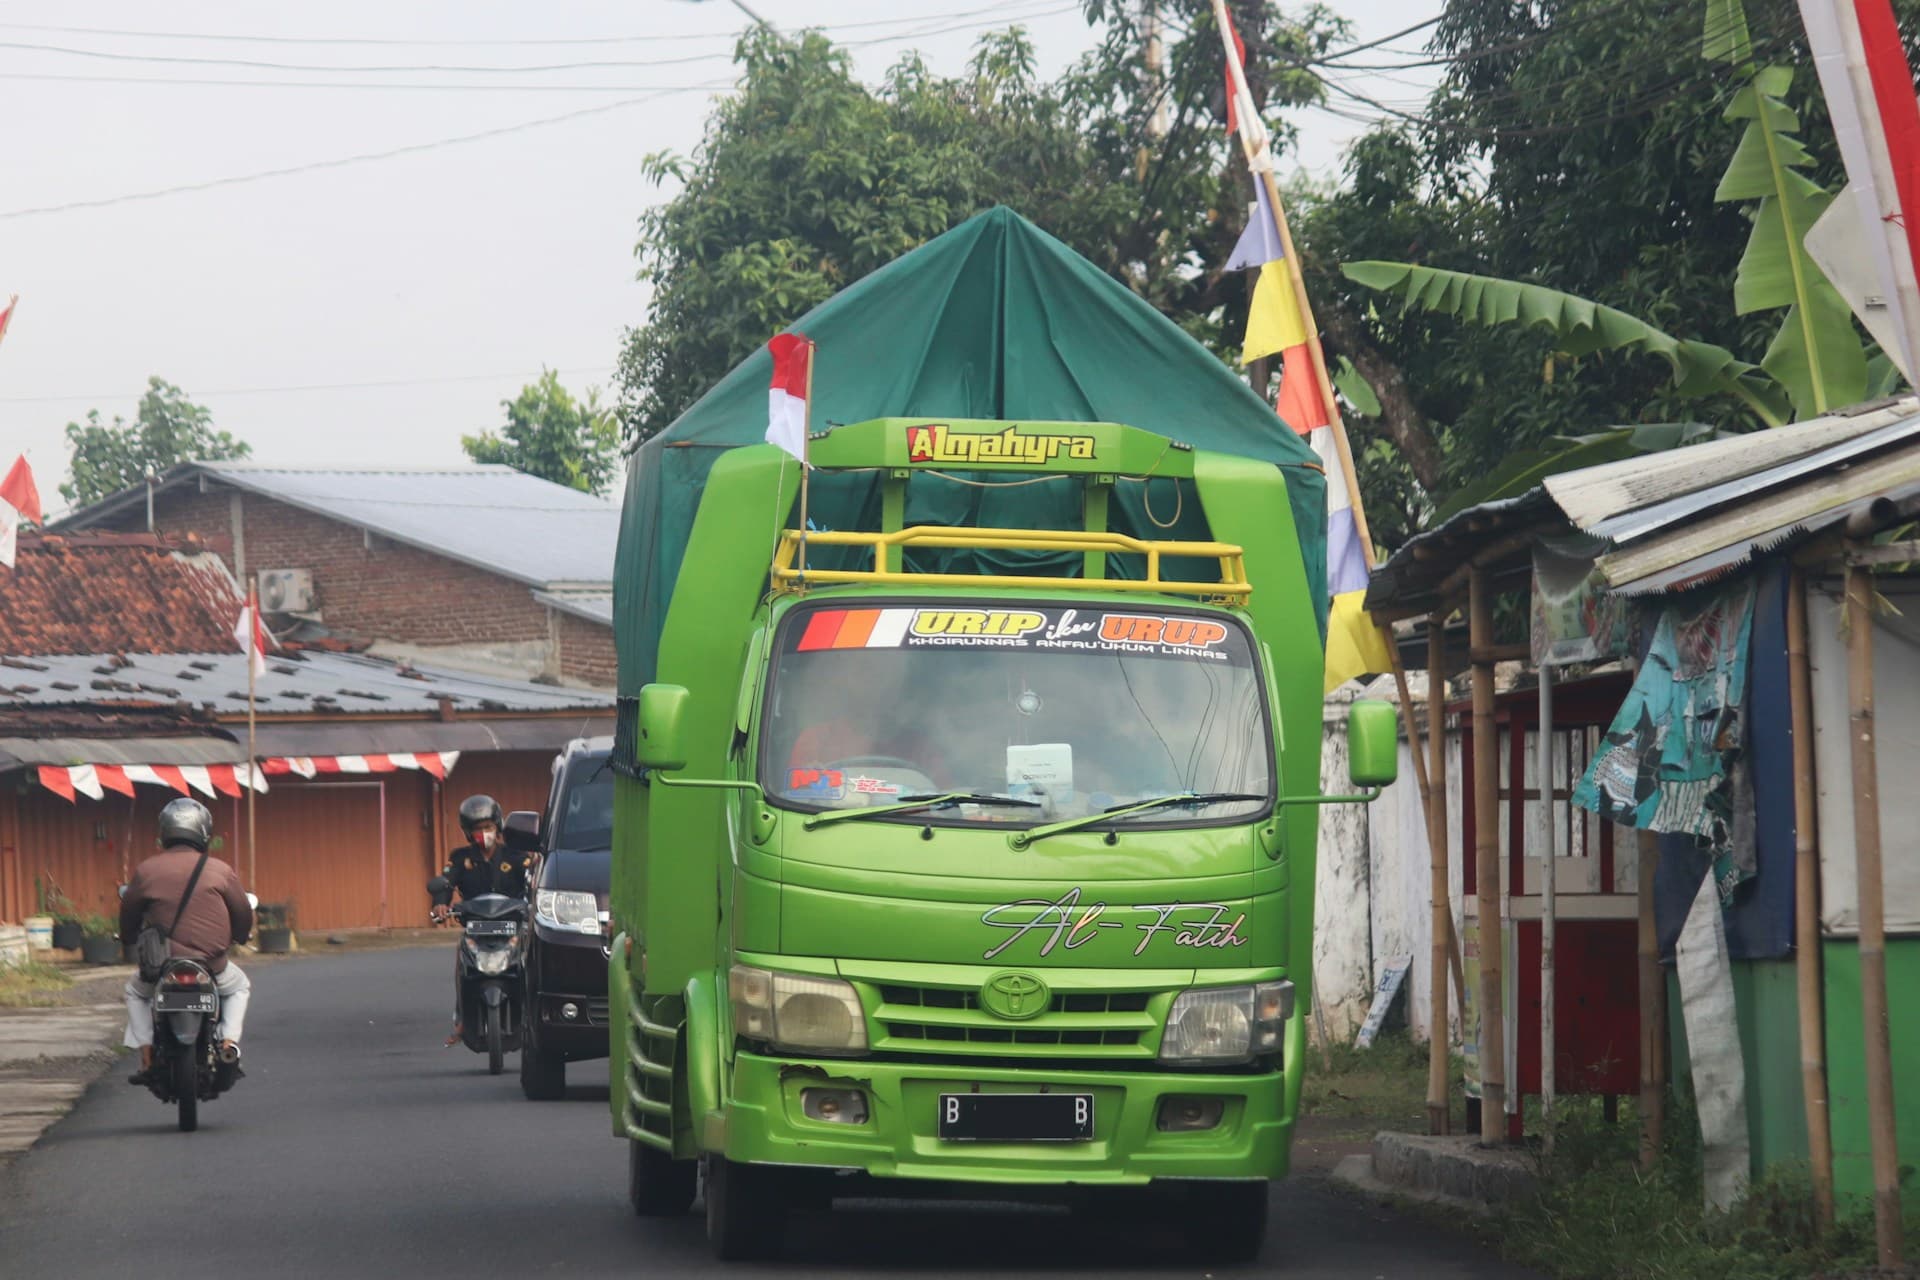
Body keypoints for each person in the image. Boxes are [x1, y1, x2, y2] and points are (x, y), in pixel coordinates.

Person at [120, 798, 254, 1086]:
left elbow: (128, 914)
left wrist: (128, 939)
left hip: (160, 966)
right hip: (212, 965)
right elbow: (242, 911)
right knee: (239, 987)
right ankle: (229, 1044)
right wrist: (242, 936)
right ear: (203, 832)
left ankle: (145, 1052)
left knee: (135, 992)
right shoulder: (220, 870)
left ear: (165, 832)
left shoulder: (146, 870)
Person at [430, 794, 530, 1044]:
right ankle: (463, 1017)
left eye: (488, 827)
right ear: (467, 832)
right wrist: (440, 903)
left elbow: (532, 879)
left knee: (532, 961)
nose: (483, 833)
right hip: (476, 930)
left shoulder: (516, 856)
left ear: (497, 826)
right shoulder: (459, 858)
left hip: (513, 929)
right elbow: (446, 882)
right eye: (477, 829)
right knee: (461, 956)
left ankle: (535, 1014)